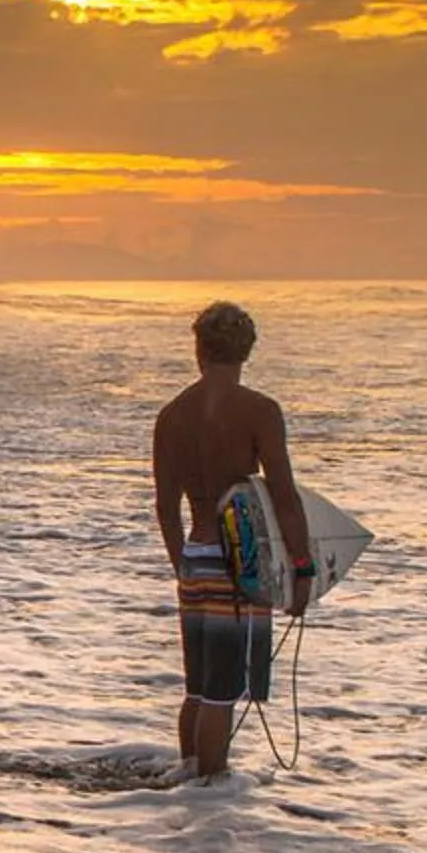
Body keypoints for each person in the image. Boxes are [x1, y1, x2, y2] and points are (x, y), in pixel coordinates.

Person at [152, 300, 314, 781]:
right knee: (223, 692)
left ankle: (188, 774)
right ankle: (210, 797)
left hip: (195, 557)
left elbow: (165, 506)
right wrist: (301, 568)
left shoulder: (172, 415)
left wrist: (182, 563)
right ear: (247, 351)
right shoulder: (260, 412)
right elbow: (284, 498)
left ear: (198, 349)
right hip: (236, 563)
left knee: (197, 688)